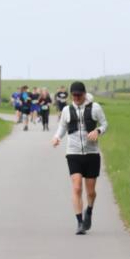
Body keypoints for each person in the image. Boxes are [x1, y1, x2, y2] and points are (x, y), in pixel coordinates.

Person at [51, 81, 108, 235]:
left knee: (91, 192)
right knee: (77, 187)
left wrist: (98, 131)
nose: (76, 98)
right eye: (74, 95)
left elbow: (104, 124)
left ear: (84, 94)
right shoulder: (66, 110)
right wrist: (57, 137)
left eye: (79, 95)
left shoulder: (95, 107)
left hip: (92, 153)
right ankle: (80, 223)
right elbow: (62, 126)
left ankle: (89, 210)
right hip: (73, 153)